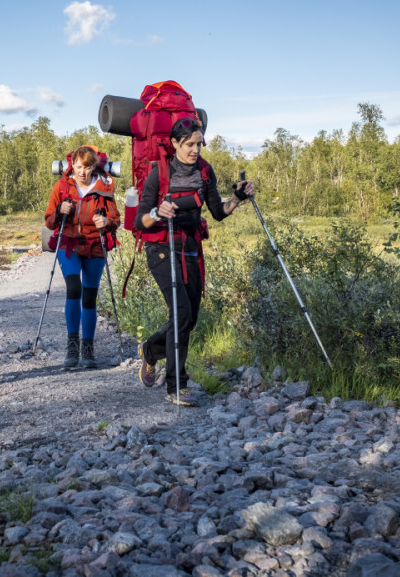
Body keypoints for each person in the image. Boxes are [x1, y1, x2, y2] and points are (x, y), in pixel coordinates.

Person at [134, 117, 255, 406]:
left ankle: (150, 350)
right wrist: (158, 212)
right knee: (182, 314)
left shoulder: (204, 171)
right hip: (162, 248)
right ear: (174, 143)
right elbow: (141, 220)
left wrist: (237, 197)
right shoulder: (160, 172)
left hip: (190, 248)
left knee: (190, 319)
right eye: (189, 144)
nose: (195, 149)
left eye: (198, 143)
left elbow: (217, 211)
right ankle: (177, 386)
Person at [44, 145, 121, 370]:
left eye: (87, 167)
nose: (82, 172)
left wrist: (106, 223)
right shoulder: (61, 186)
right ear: (72, 166)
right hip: (69, 245)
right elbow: (49, 220)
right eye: (78, 167)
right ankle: (72, 346)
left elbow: (116, 219)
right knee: (73, 289)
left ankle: (87, 349)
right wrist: (60, 211)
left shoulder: (104, 188)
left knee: (89, 296)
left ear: (93, 167)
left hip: (95, 246)